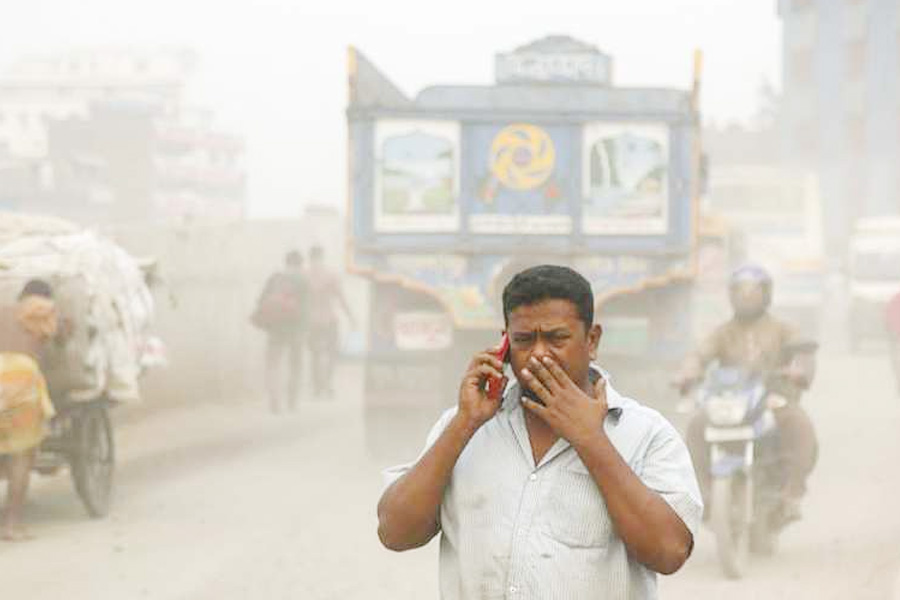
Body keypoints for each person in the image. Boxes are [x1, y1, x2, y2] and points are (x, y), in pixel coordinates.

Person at [377, 265, 702, 599]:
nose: (539, 354)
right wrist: (464, 423)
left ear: (592, 340)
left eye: (557, 338)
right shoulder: (463, 426)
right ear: (504, 345)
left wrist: (591, 440)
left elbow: (669, 552)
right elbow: (395, 533)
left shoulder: (645, 433)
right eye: (523, 340)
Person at [675, 264, 818, 520]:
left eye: (753, 291)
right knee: (696, 425)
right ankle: (703, 492)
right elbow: (699, 354)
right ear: (731, 295)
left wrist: (799, 370)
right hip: (731, 402)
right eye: (741, 291)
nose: (747, 297)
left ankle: (792, 493)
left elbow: (802, 352)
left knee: (800, 424)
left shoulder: (782, 329)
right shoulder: (722, 332)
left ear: (766, 294)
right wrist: (688, 372)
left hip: (772, 400)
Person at [0, 279, 59, 541]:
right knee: (21, 456)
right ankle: (11, 526)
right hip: (20, 378)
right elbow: (60, 345)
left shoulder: (4, 310)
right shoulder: (44, 310)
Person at [254, 250, 308, 413]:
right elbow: (306, 308)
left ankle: (274, 399)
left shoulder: (275, 278)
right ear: (300, 264)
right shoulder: (302, 280)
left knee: (273, 364)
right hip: (295, 329)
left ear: (286, 262)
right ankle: (292, 401)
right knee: (295, 365)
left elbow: (260, 301)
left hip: (275, 328)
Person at [306, 245, 354, 398]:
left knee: (315, 355)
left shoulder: (305, 275)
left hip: (311, 321)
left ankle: (317, 388)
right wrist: (351, 317)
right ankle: (327, 384)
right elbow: (341, 297)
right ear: (322, 256)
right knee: (332, 353)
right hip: (329, 319)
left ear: (310, 257)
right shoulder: (331, 275)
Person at [885, 289, 900, 395]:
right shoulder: (895, 300)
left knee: (896, 362)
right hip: (895, 336)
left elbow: (887, 318)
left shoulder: (894, 300)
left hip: (895, 336)